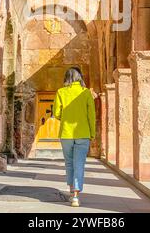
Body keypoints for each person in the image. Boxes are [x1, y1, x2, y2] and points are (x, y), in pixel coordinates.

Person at [54, 67, 96, 208]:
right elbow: (91, 115)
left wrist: (66, 117)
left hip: (66, 133)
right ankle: (76, 196)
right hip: (83, 133)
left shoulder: (61, 92)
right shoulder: (86, 93)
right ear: (80, 77)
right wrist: (92, 133)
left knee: (69, 163)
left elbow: (56, 113)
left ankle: (72, 191)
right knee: (79, 164)